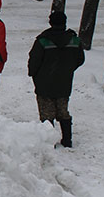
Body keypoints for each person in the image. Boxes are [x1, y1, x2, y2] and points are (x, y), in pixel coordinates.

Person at [28, 11, 85, 148]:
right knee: (63, 110)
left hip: (44, 83)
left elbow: (34, 61)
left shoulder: (42, 41)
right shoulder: (74, 40)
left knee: (47, 113)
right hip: (64, 82)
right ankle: (67, 140)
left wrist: (34, 74)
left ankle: (49, 141)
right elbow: (80, 59)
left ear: (50, 23)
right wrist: (67, 70)